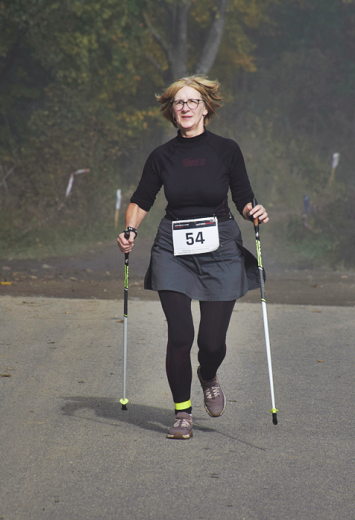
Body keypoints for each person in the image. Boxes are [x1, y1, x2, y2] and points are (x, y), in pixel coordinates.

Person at [117, 75, 269, 440]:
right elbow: (142, 199)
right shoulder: (162, 156)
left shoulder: (226, 150)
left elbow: (243, 197)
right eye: (178, 103)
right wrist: (130, 230)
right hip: (174, 249)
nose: (184, 108)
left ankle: (207, 374)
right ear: (172, 111)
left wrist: (254, 212)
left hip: (220, 247)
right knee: (181, 334)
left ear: (205, 108)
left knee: (211, 343)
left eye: (191, 101)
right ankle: (182, 413)